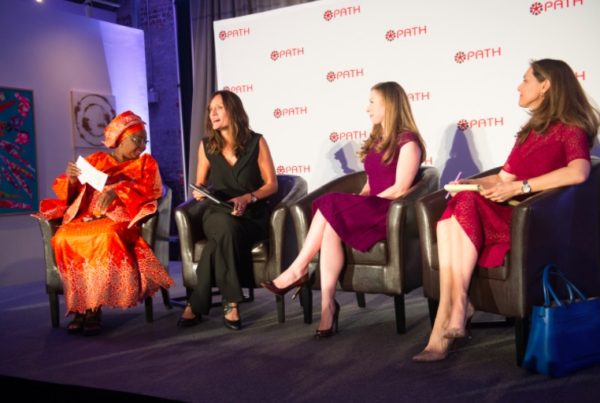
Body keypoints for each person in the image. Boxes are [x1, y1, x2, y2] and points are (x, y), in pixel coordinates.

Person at [413, 59, 600, 362]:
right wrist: (471, 184)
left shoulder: (571, 129)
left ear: (545, 85)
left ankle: (452, 318)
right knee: (450, 217)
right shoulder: (530, 132)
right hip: (511, 213)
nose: (518, 86)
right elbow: (502, 178)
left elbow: (578, 172)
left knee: (461, 210)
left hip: (534, 222)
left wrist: (521, 188)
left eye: (525, 80)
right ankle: (454, 312)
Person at [261, 81, 426, 338]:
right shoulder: (377, 140)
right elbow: (370, 183)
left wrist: (362, 204)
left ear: (389, 104)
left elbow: (400, 189)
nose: (367, 108)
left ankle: (297, 269)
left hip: (389, 213)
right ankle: (328, 306)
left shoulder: (409, 141)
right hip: (373, 206)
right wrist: (359, 200)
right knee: (330, 227)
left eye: (372, 102)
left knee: (329, 202)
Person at [35, 111, 174, 336]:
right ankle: (81, 306)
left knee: (105, 236)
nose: (141, 146)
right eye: (137, 139)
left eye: (144, 141)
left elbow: (152, 190)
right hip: (88, 216)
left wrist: (118, 191)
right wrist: (72, 179)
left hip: (121, 218)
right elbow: (71, 193)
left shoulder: (146, 163)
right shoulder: (96, 160)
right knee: (62, 237)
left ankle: (93, 309)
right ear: (120, 138)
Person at [177, 90, 277, 330]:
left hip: (252, 215)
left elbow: (272, 185)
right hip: (218, 212)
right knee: (224, 225)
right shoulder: (207, 146)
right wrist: (199, 192)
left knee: (219, 240)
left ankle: (197, 301)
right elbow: (200, 184)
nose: (212, 114)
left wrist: (248, 197)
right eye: (210, 110)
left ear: (233, 110)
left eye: (218, 108)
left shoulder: (256, 142)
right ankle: (231, 301)